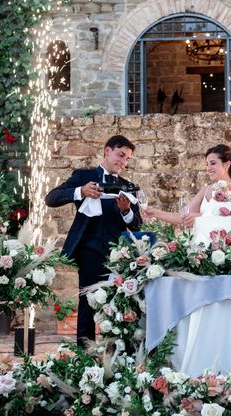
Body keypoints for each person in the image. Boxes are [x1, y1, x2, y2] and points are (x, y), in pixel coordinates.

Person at [45, 135, 142, 347]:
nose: (123, 162)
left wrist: (126, 211)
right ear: (107, 151)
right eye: (121, 155)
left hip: (119, 255)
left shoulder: (128, 186)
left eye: (127, 159)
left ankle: (115, 351)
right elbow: (51, 198)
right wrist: (81, 191)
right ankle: (85, 353)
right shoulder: (84, 176)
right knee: (87, 301)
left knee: (119, 302)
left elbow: (136, 225)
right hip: (89, 249)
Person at [145, 144, 231, 227]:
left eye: (213, 163)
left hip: (228, 247)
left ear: (226, 164)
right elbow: (183, 216)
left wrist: (200, 216)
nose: (208, 168)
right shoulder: (206, 190)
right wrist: (156, 213)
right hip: (203, 246)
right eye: (207, 164)